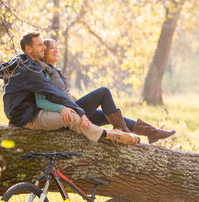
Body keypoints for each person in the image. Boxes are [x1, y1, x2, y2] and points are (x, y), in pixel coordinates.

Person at [0, 32, 138, 145]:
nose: (44, 48)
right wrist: (76, 111)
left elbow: (51, 93)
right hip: (26, 117)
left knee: (93, 111)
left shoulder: (26, 64)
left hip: (28, 113)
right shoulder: (29, 70)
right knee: (72, 117)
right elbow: (50, 93)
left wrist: (67, 105)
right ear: (28, 49)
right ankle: (109, 136)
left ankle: (144, 131)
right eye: (40, 45)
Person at [35, 39, 175, 144]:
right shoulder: (44, 72)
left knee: (106, 115)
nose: (56, 50)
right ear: (43, 53)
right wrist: (62, 107)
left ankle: (152, 132)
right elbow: (42, 100)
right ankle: (125, 131)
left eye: (56, 48)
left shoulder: (53, 71)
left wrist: (67, 95)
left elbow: (57, 93)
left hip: (73, 108)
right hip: (69, 116)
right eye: (51, 49)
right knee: (103, 92)